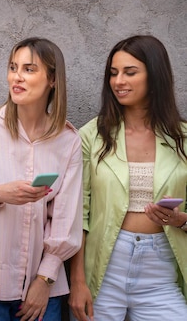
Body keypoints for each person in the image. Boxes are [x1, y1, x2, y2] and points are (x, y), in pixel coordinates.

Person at [0, 37, 83, 321]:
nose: (17, 77)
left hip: (43, 284)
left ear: (53, 80)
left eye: (29, 69)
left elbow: (66, 220)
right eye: (13, 67)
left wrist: (44, 280)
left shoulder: (68, 141)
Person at [68, 35, 187, 321]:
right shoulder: (92, 136)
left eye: (130, 72)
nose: (118, 81)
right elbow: (78, 214)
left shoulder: (183, 138)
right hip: (105, 269)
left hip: (162, 273)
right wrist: (78, 282)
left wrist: (180, 219)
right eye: (113, 73)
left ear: (155, 76)